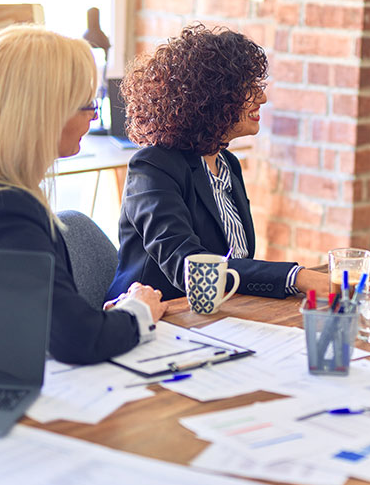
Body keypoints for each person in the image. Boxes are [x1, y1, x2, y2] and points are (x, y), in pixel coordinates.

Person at [0, 24, 165, 366]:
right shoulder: (5, 209)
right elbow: (76, 341)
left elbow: (49, 320)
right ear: (42, 113)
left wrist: (102, 320)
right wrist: (138, 312)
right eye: (86, 104)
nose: (94, 116)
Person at [107, 24, 325, 302]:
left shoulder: (228, 164)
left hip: (216, 316)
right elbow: (190, 267)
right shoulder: (153, 168)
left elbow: (238, 260)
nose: (263, 97)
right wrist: (297, 277)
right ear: (210, 98)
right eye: (248, 88)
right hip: (155, 319)